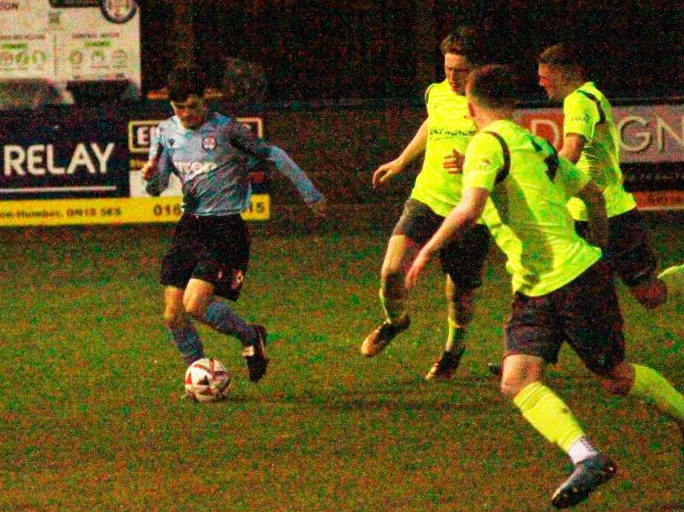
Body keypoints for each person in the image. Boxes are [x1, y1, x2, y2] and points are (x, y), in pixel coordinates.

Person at [406, 63, 684, 509]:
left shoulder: (487, 142)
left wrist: (426, 250)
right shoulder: (533, 144)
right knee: (517, 380)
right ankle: (587, 458)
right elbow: (591, 193)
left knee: (616, 377)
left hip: (570, 280)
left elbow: (470, 208)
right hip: (537, 285)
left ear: (471, 107)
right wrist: (597, 243)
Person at [142, 65, 327, 385]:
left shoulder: (227, 130)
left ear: (205, 99)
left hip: (226, 228)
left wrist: (310, 193)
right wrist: (151, 176)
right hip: (190, 226)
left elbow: (274, 154)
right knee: (173, 313)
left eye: (192, 106)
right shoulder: (164, 133)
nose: (186, 113)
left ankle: (250, 336)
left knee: (195, 305)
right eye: (178, 107)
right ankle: (200, 376)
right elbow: (156, 187)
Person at [361, 26, 492, 380]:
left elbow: (503, 147)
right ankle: (395, 321)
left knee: (459, 297)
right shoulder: (436, 93)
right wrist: (401, 161)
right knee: (392, 271)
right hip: (428, 198)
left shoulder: (488, 103)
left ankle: (453, 351)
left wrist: (473, 163)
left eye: (460, 70)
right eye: (447, 68)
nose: (452, 76)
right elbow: (432, 124)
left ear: (477, 69)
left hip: (470, 211)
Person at [536, 43, 684, 307]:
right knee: (577, 294)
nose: (541, 84)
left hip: (611, 215)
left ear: (563, 74)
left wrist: (538, 180)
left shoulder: (579, 100)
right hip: (583, 214)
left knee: (650, 295)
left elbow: (572, 150)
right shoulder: (588, 96)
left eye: (544, 78)